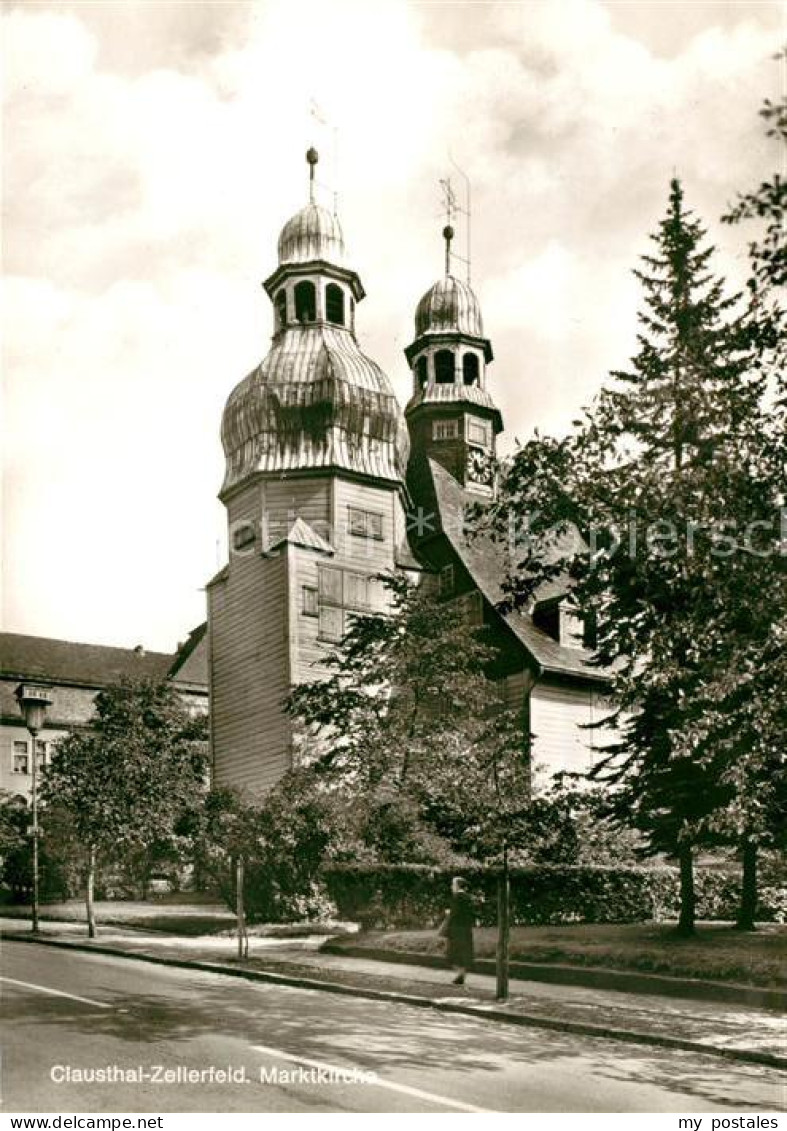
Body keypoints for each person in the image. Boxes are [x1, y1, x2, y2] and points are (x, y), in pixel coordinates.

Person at [440, 876, 475, 985]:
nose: (451, 887)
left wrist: (448, 914)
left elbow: (454, 914)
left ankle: (460, 975)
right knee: (463, 952)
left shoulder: (456, 898)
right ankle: (462, 975)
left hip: (456, 930)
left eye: (453, 884)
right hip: (466, 929)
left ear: (457, 886)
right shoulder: (468, 898)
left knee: (453, 953)